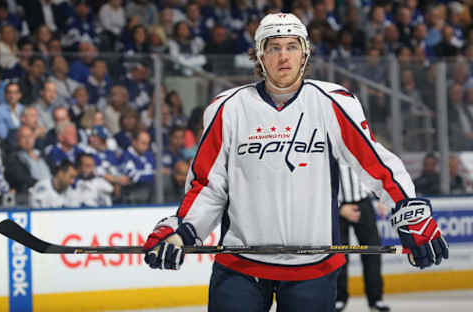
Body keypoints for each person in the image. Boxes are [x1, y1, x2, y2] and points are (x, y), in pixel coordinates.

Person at [142, 13, 448, 312]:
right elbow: (208, 186)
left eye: (292, 46)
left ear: (305, 53)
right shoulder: (226, 109)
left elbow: (377, 165)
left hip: (313, 270)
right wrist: (182, 229)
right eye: (274, 47)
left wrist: (410, 212)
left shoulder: (333, 102)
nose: (283, 56)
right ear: (259, 55)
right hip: (239, 267)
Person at [335, 164, 389, 312]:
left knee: (373, 252)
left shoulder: (359, 143)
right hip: (336, 205)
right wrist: (338, 208)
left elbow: (375, 167)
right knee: (339, 255)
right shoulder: (328, 146)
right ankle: (338, 298)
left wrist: (381, 196)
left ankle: (376, 299)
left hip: (363, 202)